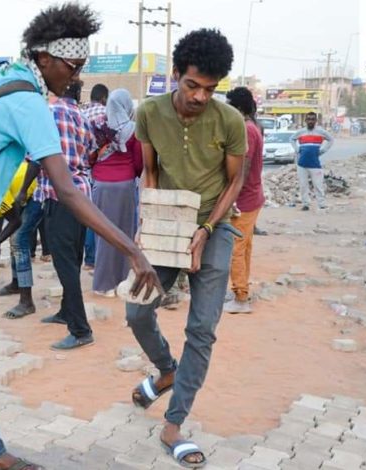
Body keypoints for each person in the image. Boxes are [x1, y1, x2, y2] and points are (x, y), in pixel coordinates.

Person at [0, 5, 161, 469]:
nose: (75, 77)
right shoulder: (28, 100)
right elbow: (68, 190)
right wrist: (132, 249)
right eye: (72, 67)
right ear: (46, 57)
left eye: (82, 68)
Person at [128, 28, 246, 468]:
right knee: (137, 310)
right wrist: (150, 220)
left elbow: (236, 180)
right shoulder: (149, 113)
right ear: (175, 74)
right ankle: (166, 370)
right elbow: (150, 170)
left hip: (214, 229)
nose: (200, 96)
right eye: (192, 85)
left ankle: (174, 423)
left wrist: (208, 229)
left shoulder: (230, 121)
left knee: (202, 331)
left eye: (210, 89)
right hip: (166, 225)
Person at [35, 80, 98, 350]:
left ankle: (80, 329)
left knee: (65, 265)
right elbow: (93, 150)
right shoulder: (82, 117)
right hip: (82, 195)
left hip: (59, 195)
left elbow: (35, 156)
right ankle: (65, 312)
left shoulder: (49, 113)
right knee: (74, 258)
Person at [90, 88, 143, 297]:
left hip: (101, 184)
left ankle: (102, 284)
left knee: (103, 234)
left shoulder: (99, 127)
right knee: (124, 234)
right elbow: (139, 161)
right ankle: (121, 281)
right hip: (124, 184)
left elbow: (90, 156)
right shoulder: (133, 129)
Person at [224, 87, 265, 314]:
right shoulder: (253, 127)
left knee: (236, 249)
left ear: (238, 108)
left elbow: (244, 167)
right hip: (252, 196)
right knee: (244, 247)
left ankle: (241, 298)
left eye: (230, 107)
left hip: (245, 199)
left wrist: (232, 197)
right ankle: (242, 290)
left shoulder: (247, 130)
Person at [0, 159, 41, 319]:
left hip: (37, 193)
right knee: (15, 238)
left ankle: (27, 302)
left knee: (18, 240)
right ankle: (16, 283)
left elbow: (14, 222)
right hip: (21, 192)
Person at [81, 83, 109, 271]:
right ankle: (98, 258)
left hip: (83, 171)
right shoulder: (105, 115)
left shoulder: (81, 114)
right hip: (101, 171)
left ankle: (89, 258)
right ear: (104, 98)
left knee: (88, 215)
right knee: (100, 216)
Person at [290, 112, 334, 211]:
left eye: (312, 119)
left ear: (316, 121)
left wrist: (322, 150)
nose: (310, 121)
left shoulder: (321, 132)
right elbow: (292, 139)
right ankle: (306, 204)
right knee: (303, 185)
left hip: (315, 164)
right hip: (302, 164)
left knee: (318, 185)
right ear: (305, 121)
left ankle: (321, 204)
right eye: (308, 119)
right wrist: (297, 149)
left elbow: (331, 139)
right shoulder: (300, 132)